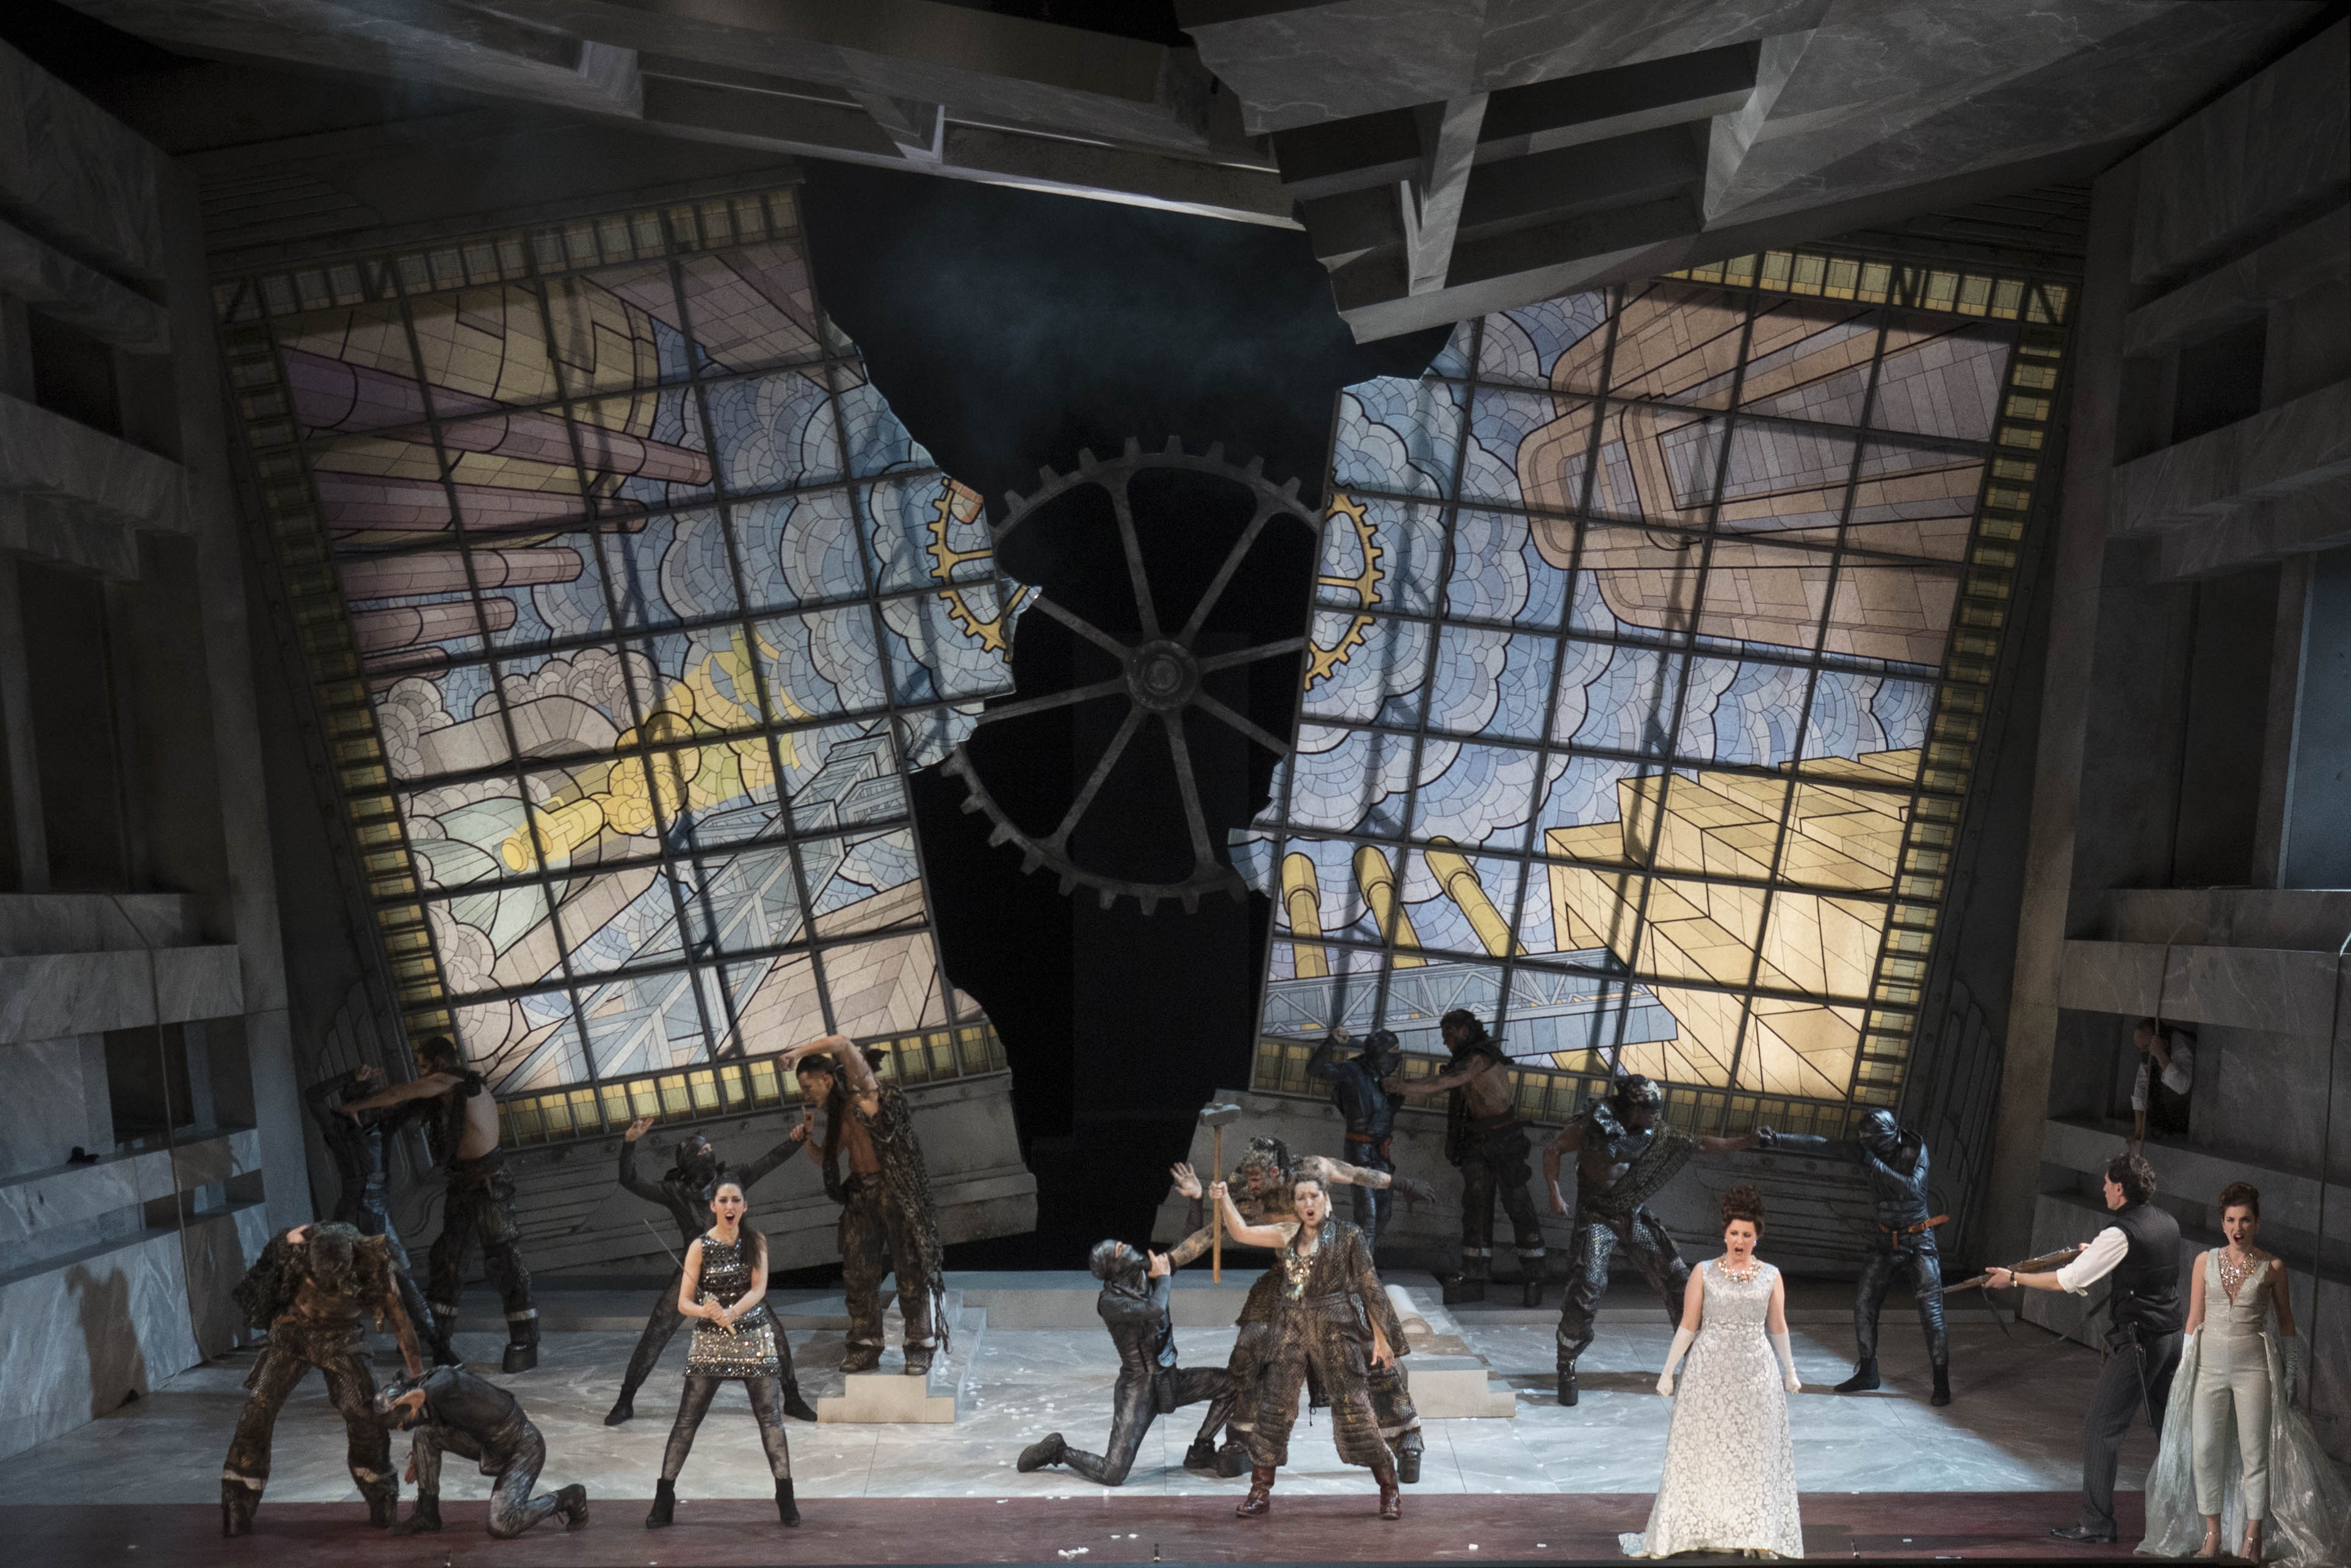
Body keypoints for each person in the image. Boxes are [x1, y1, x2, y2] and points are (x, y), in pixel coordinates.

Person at [1166, 1137, 1430, 1479]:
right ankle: (1243, 1438)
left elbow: (1358, 1174)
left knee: (1371, 1353)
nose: (1250, 1184)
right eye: (1301, 1199)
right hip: (1286, 1280)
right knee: (1251, 1345)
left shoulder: (1315, 1175)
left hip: (1334, 1283)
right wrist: (1168, 1260)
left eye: (1257, 1178)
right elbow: (1214, 1234)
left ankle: (1406, 1436)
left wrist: (1403, 1184)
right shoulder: (1253, 1199)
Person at [2139, 1182, 2350, 1566]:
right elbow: (2194, 1317)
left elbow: (2286, 1323)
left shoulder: (2273, 1268)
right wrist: (2184, 1368)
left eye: (2246, 1220)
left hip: (2253, 1369)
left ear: (2257, 1223)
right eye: (2231, 1220)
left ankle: (2253, 1535)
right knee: (2205, 1452)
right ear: (2222, 1224)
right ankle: (2212, 1534)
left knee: (2255, 1454)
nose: (2238, 1228)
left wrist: (2289, 1372)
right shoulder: (2204, 1262)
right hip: (2208, 1369)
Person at [1990, 1151, 2185, 1546]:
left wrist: (2013, 1278)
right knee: (2172, 1429)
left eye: (2107, 1182)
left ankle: (2096, 1522)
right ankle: (2193, 1518)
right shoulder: (2166, 1221)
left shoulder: (2121, 1232)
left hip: (2139, 1344)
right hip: (2170, 1338)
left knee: (2101, 1428)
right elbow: (2142, 1267)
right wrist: (2096, 1253)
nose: (2102, 1188)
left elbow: (2066, 1281)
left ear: (2120, 1188)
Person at [1545, 1075, 1761, 1405]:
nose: (1657, 1116)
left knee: (1679, 1278)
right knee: (1588, 1285)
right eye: (1652, 1110)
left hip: (1631, 1213)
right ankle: (1567, 1361)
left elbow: (1699, 1144)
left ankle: (1697, 1360)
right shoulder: (1592, 1126)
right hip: (1597, 1216)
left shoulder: (1653, 1132)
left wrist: (1746, 1141)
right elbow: (1554, 1148)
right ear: (1634, 1109)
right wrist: (1554, 1192)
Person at [1620, 1185, 1803, 1560]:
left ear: (1757, 1236)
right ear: (1725, 1234)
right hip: (1708, 1374)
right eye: (1734, 1233)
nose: (1740, 1241)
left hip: (1756, 1374)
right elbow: (1689, 1325)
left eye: (1747, 1235)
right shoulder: (1703, 1273)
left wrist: (1790, 1371)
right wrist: (1667, 1372)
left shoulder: (1771, 1276)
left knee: (1752, 1454)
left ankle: (1752, 1530)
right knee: (1705, 1452)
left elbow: (1778, 1326)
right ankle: (1701, 1526)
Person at [1213, 1172, 1409, 1520]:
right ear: (1295, 1205)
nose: (1308, 1203)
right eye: (1301, 1198)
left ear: (1326, 1200)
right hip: (1291, 1330)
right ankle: (1260, 1491)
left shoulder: (1348, 1236)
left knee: (1356, 1411)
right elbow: (1241, 1232)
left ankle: (1389, 1489)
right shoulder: (1288, 1233)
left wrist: (1382, 1337)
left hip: (1335, 1330)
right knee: (1273, 1411)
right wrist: (1223, 1199)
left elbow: (1370, 1286)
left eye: (1313, 1196)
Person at [338, 1035, 539, 1372]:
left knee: (503, 1259)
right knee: (448, 1259)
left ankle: (526, 1339)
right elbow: (398, 1105)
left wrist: (354, 1107)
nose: (420, 1074)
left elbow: (401, 1092)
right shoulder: (447, 1094)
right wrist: (360, 1092)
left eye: (423, 1066)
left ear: (439, 1064)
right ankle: (436, 1337)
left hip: (490, 1184)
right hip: (463, 1184)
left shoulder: (452, 1081)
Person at [604, 1115, 819, 1426]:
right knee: (656, 1333)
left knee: (772, 1332)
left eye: (710, 1149)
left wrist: (796, 1140)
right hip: (695, 1272)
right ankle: (625, 1401)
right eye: (702, 1152)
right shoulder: (674, 1190)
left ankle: (793, 1398)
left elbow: (769, 1161)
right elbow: (630, 1180)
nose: (709, 1154)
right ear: (688, 1162)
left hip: (735, 1270)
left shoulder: (731, 1179)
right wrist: (629, 1143)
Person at [221, 1220, 427, 1536]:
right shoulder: (296, 1246)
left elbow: (401, 1324)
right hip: (292, 1333)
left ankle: (381, 1492)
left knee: (364, 1414)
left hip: (342, 1339)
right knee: (257, 1410)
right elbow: (266, 1271)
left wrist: (420, 1380)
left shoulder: (373, 1266)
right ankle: (238, 1500)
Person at [777, 1034, 947, 1377]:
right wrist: (808, 1138)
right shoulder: (839, 1115)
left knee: (910, 1270)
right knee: (857, 1273)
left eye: (809, 1087)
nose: (807, 1096)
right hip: (861, 1196)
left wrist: (796, 1052)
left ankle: (919, 1343)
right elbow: (826, 1158)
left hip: (894, 1191)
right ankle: (865, 1345)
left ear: (827, 1079)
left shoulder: (867, 1091)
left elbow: (841, 1043)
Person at [1755, 1108, 1951, 1404]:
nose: (1863, 1143)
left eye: (1869, 1139)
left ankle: (1941, 1381)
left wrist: (1874, 1163)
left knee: (1931, 1313)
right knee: (1864, 1304)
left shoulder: (1914, 1150)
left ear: (1887, 1137)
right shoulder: (1867, 1148)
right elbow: (1824, 1145)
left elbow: (1912, 1187)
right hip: (1886, 1239)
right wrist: (1779, 1139)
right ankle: (1868, 1372)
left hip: (1918, 1239)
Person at [645, 1176, 799, 1529]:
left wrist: (732, 1312)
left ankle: (786, 1495)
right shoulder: (699, 1247)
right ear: (713, 1206)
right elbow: (684, 1303)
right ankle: (664, 1498)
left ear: (745, 1206)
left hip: (753, 1337)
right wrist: (706, 1310)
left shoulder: (756, 1241)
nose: (730, 1206)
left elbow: (758, 1289)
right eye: (724, 1200)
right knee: (687, 1420)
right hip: (710, 1342)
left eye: (736, 1200)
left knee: (770, 1419)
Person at [1016, 1240, 1237, 1486]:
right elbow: (1155, 1308)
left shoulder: (1143, 1272)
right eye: (1120, 1250)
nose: (1127, 1247)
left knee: (1233, 1385)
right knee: (1112, 1473)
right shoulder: (1110, 1302)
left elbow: (1185, 1248)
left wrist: (1206, 1215)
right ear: (1114, 1267)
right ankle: (1058, 1451)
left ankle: (1201, 1450)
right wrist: (1164, 1278)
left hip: (1168, 1378)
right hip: (1138, 1389)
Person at [1385, 1009, 1545, 1304]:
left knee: (1517, 1202)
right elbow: (1439, 1085)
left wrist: (1402, 1086)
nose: (1445, 1041)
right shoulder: (1464, 1062)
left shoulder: (1478, 1060)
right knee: (1475, 1203)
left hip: (1504, 1140)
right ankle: (1474, 1271)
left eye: (1449, 1033)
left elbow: (1443, 1083)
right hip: (1477, 1141)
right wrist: (1402, 1086)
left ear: (1465, 1032)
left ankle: (1535, 1273)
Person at [303, 1063, 454, 1366]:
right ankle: (310, 1344)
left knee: (402, 1279)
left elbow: (416, 1102)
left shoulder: (382, 1126)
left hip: (377, 1215)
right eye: (372, 1098)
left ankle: (435, 1346)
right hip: (353, 1217)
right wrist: (349, 1076)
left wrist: (440, 1080)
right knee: (335, 1281)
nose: (381, 1103)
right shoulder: (340, 1129)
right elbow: (313, 1096)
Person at [377, 1364, 587, 1537]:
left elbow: (448, 1376)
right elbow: (438, 1421)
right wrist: (420, 1455)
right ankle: (427, 1515)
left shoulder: (443, 1384)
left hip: (524, 1449)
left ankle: (569, 1497)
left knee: (502, 1524)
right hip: (490, 1445)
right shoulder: (429, 1394)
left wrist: (424, 1393)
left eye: (401, 1423)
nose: (400, 1428)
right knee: (424, 1435)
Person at [1306, 1028, 1411, 1255]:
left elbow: (1384, 1114)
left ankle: (1354, 1258)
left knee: (1384, 1213)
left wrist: (1398, 1093)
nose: (1397, 1056)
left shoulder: (1384, 1080)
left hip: (1381, 1152)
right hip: (1360, 1151)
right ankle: (1362, 1268)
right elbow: (1314, 1070)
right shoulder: (1353, 1070)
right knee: (1368, 1217)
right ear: (1380, 1053)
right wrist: (1331, 1042)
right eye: (1393, 1050)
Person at [2130, 1019, 2194, 1146]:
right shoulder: (2147, 1054)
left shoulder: (2180, 1045)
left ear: (2162, 1042)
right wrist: (2139, 1133)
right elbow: (2141, 1087)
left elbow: (2183, 1087)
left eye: (2146, 1047)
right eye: (2140, 1049)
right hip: (2168, 1116)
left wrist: (2160, 1055)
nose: (2143, 1053)